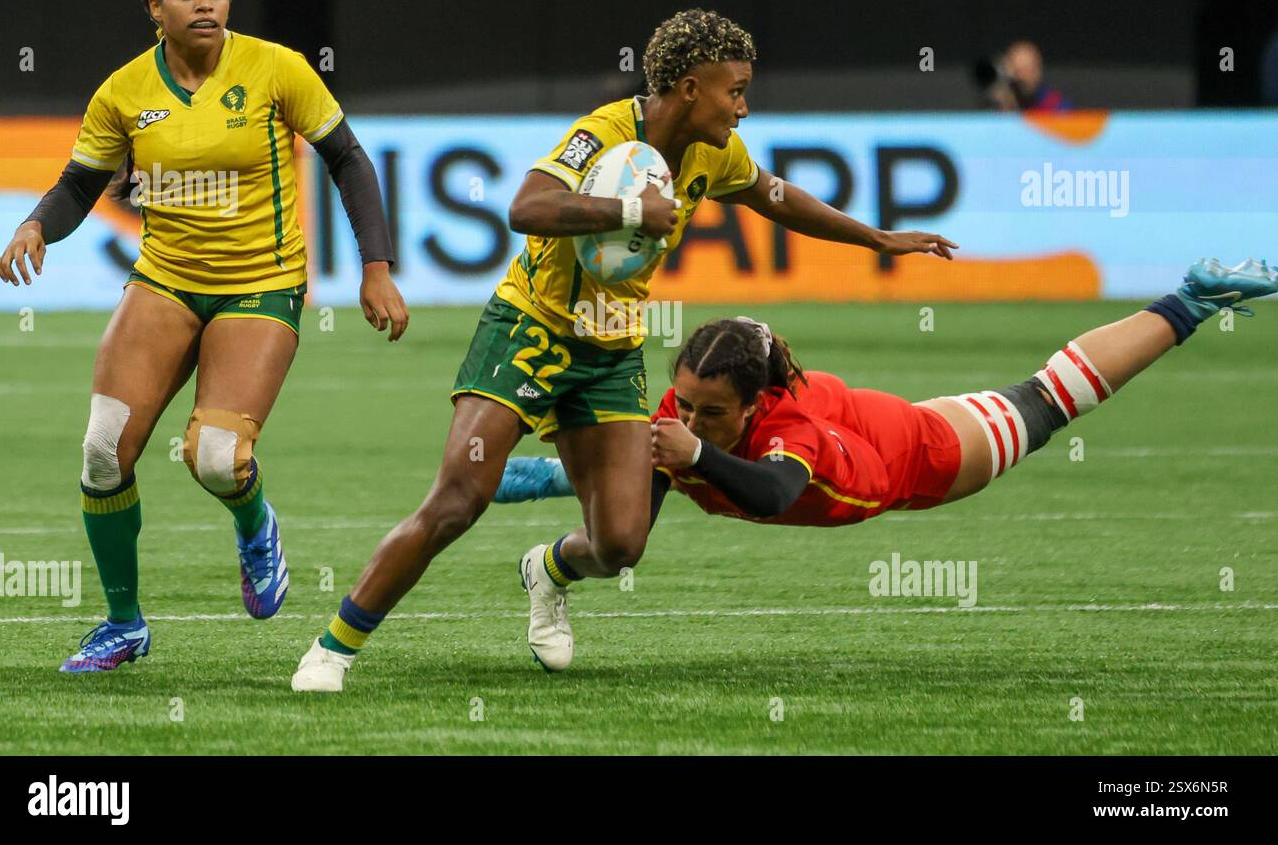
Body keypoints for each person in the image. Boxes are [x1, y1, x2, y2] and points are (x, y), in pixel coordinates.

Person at [291, 8, 959, 690]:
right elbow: (525, 209)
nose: (744, 107)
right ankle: (333, 649)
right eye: (734, 90)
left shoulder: (714, 151)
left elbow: (774, 196)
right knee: (459, 500)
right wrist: (630, 211)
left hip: (611, 352)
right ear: (691, 88)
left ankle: (547, 571)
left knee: (620, 544)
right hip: (530, 331)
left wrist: (874, 237)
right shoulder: (603, 134)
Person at [496, 258, 1277, 653]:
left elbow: (769, 494)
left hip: (921, 456)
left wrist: (689, 448)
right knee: (620, 545)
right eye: (685, 401)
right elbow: (644, 494)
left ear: (754, 403)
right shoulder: (692, 412)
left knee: (1049, 400)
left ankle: (1192, 301)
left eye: (712, 411)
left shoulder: (785, 435)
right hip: (863, 427)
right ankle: (548, 572)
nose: (689, 414)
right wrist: (577, 475)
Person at [0, 0, 408, 673]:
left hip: (261, 282)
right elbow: (80, 186)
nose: (207, 4)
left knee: (215, 459)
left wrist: (376, 267)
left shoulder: (277, 68)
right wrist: (34, 225)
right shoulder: (124, 91)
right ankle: (123, 624)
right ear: (156, 8)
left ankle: (255, 525)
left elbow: (347, 157)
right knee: (101, 450)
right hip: (163, 282)